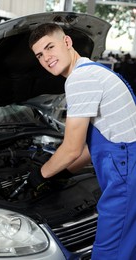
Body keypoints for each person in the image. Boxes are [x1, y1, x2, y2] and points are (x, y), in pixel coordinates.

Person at [28, 23, 136, 260]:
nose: (46, 58)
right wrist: (64, 172)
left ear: (67, 42)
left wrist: (41, 174)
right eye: (40, 55)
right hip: (127, 163)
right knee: (128, 246)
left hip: (125, 173)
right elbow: (97, 143)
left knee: (110, 252)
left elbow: (72, 148)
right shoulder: (95, 70)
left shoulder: (80, 79)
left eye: (50, 47)